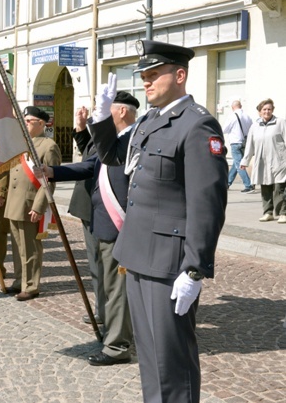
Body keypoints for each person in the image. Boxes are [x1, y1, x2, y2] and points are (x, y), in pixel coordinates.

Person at [88, 40, 228, 402]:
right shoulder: (150, 119)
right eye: (143, 76)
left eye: (154, 75)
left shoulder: (197, 125)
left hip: (169, 262)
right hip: (137, 254)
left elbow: (207, 203)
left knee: (172, 360)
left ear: (179, 75)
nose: (146, 82)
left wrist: (195, 269)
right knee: (150, 359)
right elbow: (112, 156)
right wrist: (102, 118)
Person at [38, 91, 139, 367]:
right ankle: (112, 333)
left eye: (104, 109)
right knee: (107, 285)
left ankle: (117, 346)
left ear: (120, 112)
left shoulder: (135, 139)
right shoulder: (114, 140)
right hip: (103, 221)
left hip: (121, 225)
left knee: (118, 287)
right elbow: (90, 165)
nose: (99, 114)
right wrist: (53, 172)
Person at [2, 106, 61, 301]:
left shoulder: (48, 145)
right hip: (14, 203)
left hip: (29, 204)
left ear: (41, 124)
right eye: (24, 120)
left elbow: (49, 181)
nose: (25, 123)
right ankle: (20, 280)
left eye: (29, 121)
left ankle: (31, 285)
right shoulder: (20, 144)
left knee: (30, 248)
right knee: (18, 247)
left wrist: (38, 207)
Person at [70, 106, 105, 326]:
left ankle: (109, 310)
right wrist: (81, 127)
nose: (93, 112)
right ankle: (102, 308)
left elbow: (90, 165)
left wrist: (54, 172)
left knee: (105, 264)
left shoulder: (118, 138)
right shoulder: (100, 137)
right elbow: (88, 150)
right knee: (95, 263)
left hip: (103, 209)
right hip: (87, 207)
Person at [240, 98, 286, 223]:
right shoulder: (254, 126)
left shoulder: (280, 123)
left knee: (279, 187)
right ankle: (268, 212)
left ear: (273, 110)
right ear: (260, 112)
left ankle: (283, 213)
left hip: (279, 161)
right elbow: (249, 145)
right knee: (265, 186)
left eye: (269, 109)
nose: (267, 111)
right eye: (264, 109)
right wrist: (245, 161)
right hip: (262, 162)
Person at [223, 100, 254, 192]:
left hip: (235, 142)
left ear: (232, 108)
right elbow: (251, 129)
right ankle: (227, 183)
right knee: (236, 164)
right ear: (241, 106)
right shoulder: (247, 117)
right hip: (245, 143)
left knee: (239, 164)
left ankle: (248, 185)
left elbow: (224, 129)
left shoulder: (232, 116)